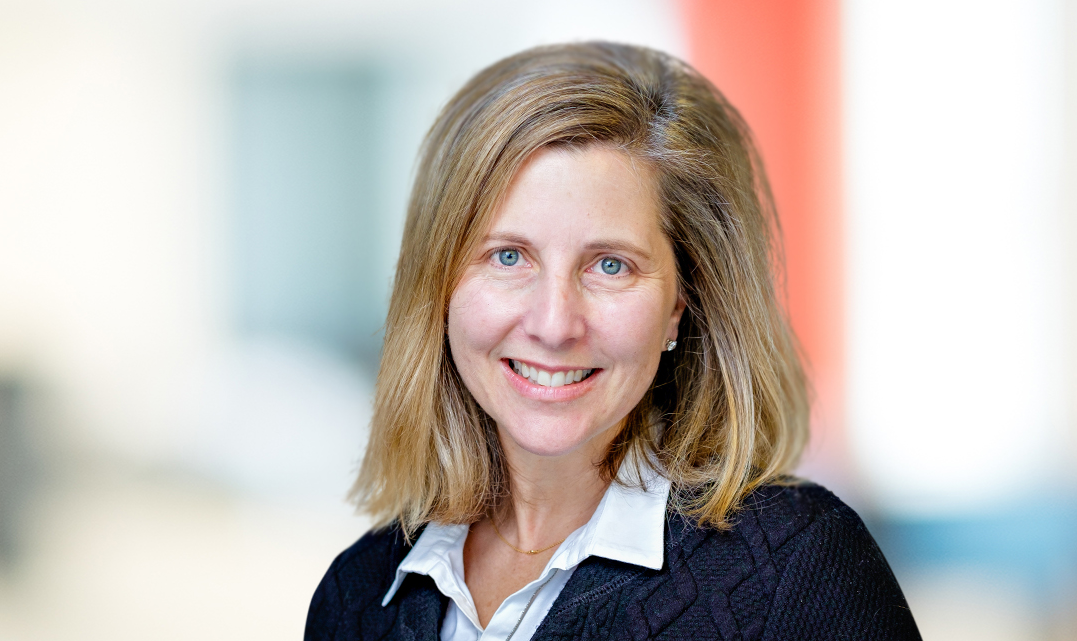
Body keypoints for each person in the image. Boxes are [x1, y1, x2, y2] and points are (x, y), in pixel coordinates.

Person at [304, 42, 919, 641]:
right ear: (438, 286)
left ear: (681, 302)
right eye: (508, 256)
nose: (553, 323)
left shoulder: (800, 573)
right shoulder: (357, 596)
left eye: (611, 266)